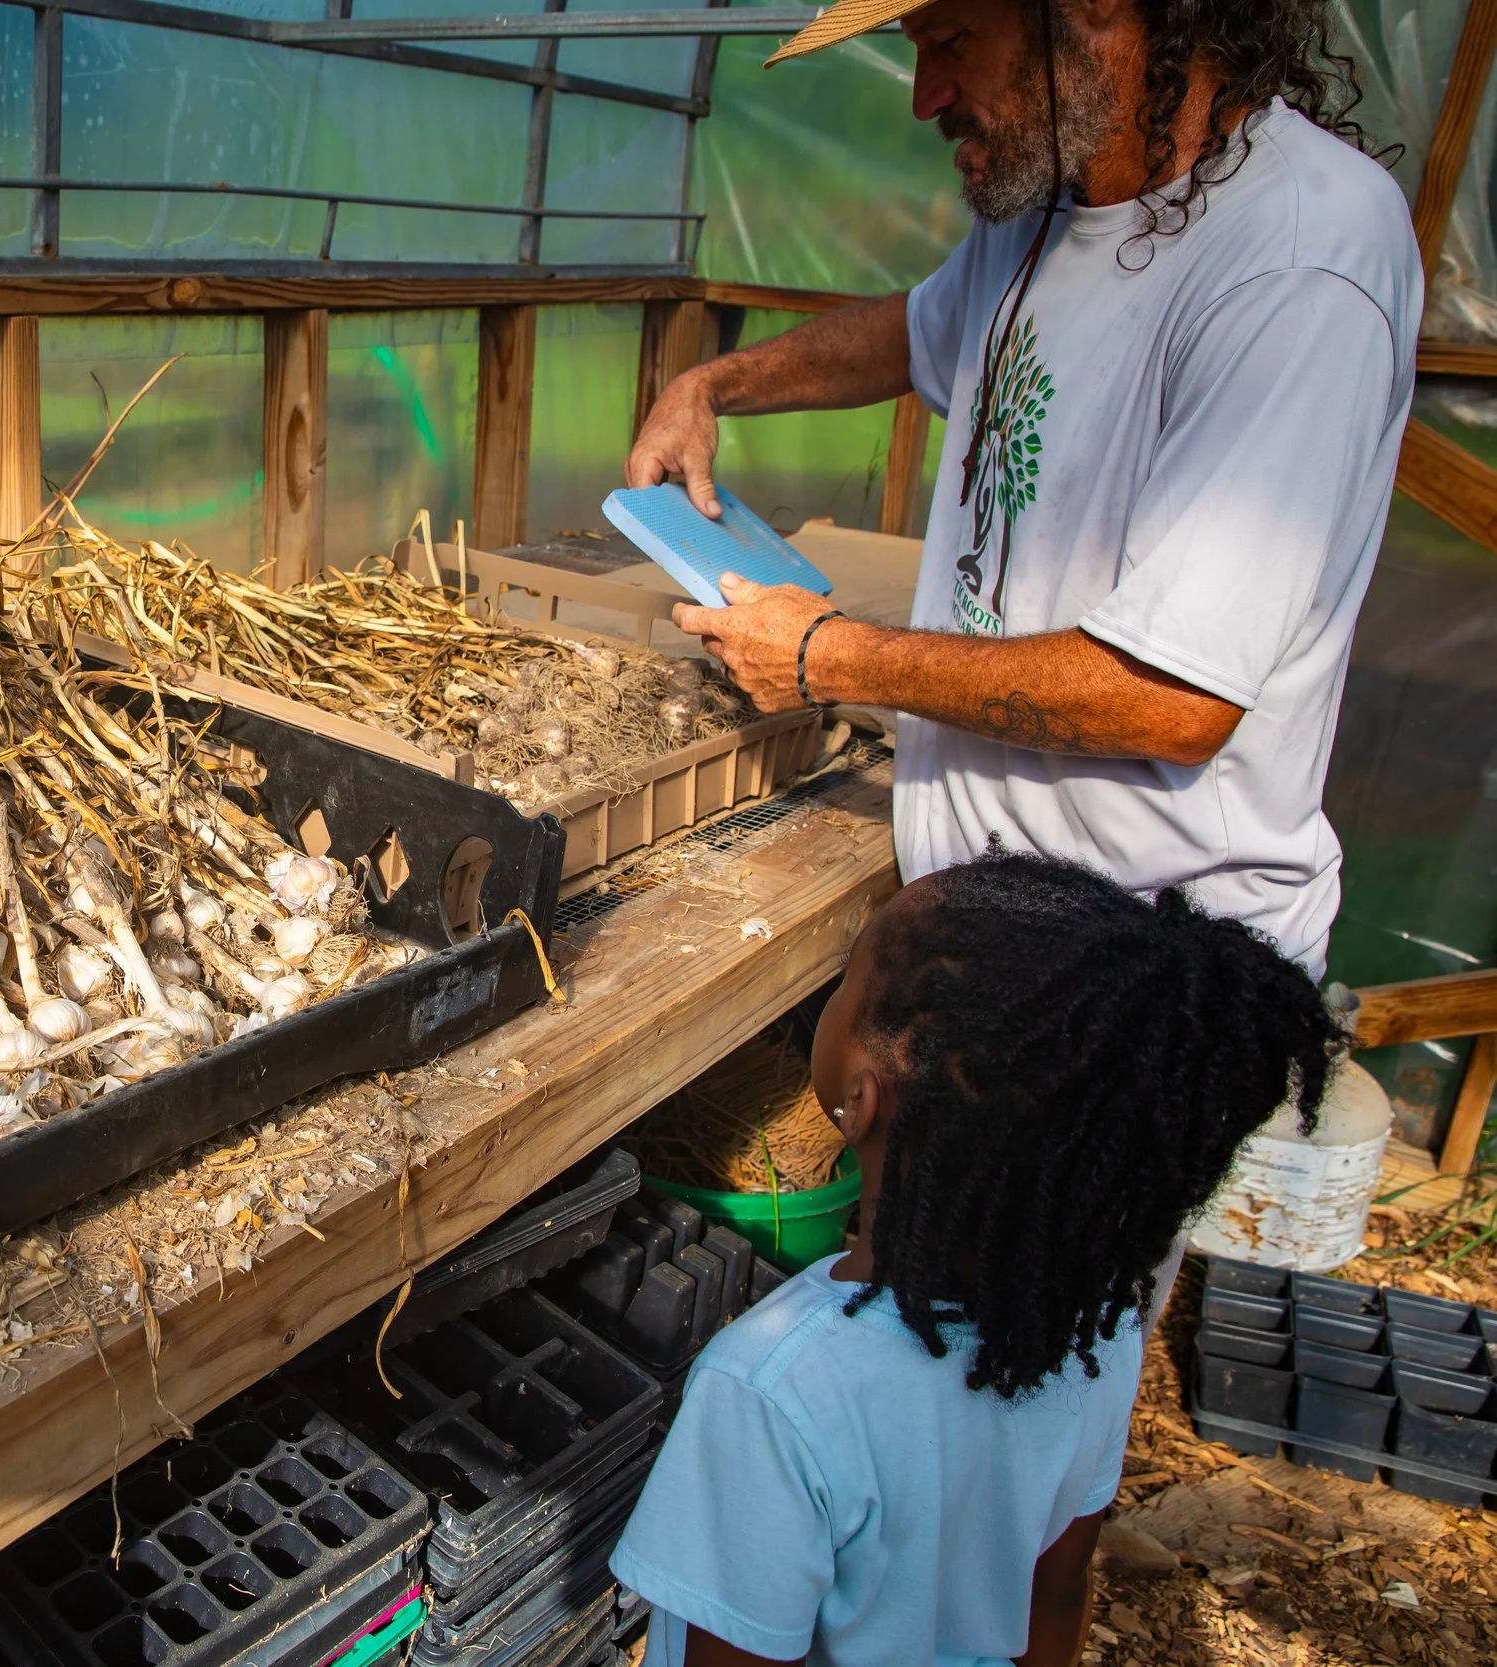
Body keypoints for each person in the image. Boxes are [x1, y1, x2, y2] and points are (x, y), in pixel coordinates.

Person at [626, 0, 1420, 976]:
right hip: (988, 922)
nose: (924, 100)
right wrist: (710, 386)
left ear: (1093, 11)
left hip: (1139, 971)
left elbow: (1168, 695)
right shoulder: (1051, 201)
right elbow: (916, 330)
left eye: (951, 43)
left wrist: (826, 656)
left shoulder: (1296, 258)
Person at [609, 851, 1341, 1666]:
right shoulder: (1100, 1335)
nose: (836, 996)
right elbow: (1056, 1596)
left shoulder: (770, 1389)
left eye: (847, 978)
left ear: (860, 1094)